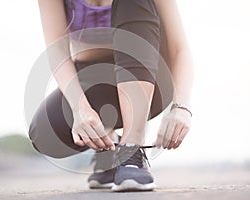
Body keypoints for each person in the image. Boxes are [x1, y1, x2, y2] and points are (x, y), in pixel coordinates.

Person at [29, 0, 194, 192]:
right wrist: (79, 108)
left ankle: (132, 149)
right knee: (44, 133)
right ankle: (109, 147)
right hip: (94, 79)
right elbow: (57, 49)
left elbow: (179, 48)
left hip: (151, 79)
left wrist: (181, 107)